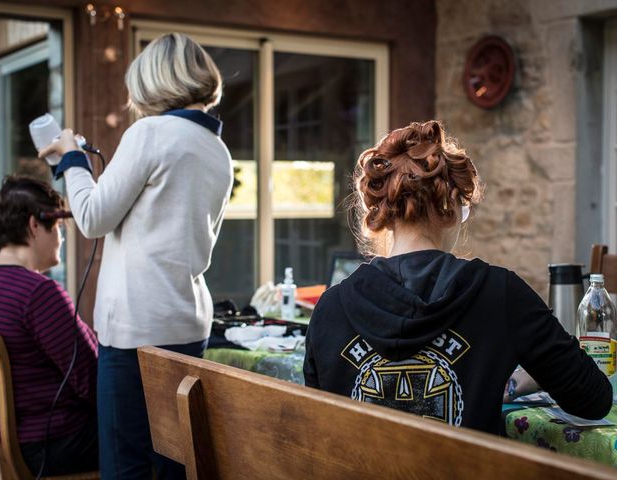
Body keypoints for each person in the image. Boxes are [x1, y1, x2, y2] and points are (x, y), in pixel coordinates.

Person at [303, 120, 613, 435]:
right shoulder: (500, 294)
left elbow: (315, 428)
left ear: (381, 212)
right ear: (450, 206)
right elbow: (593, 400)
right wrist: (537, 372)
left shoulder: (330, 309)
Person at [39, 33, 233, 479]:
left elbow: (90, 218)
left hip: (137, 327)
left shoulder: (149, 133)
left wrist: (72, 159)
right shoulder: (217, 150)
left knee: (125, 465)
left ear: (153, 83)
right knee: (173, 462)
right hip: (187, 322)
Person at [0, 175, 98, 475]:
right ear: (34, 225)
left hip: (14, 442)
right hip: (57, 444)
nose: (61, 237)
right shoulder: (38, 293)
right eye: (57, 227)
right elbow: (93, 381)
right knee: (160, 434)